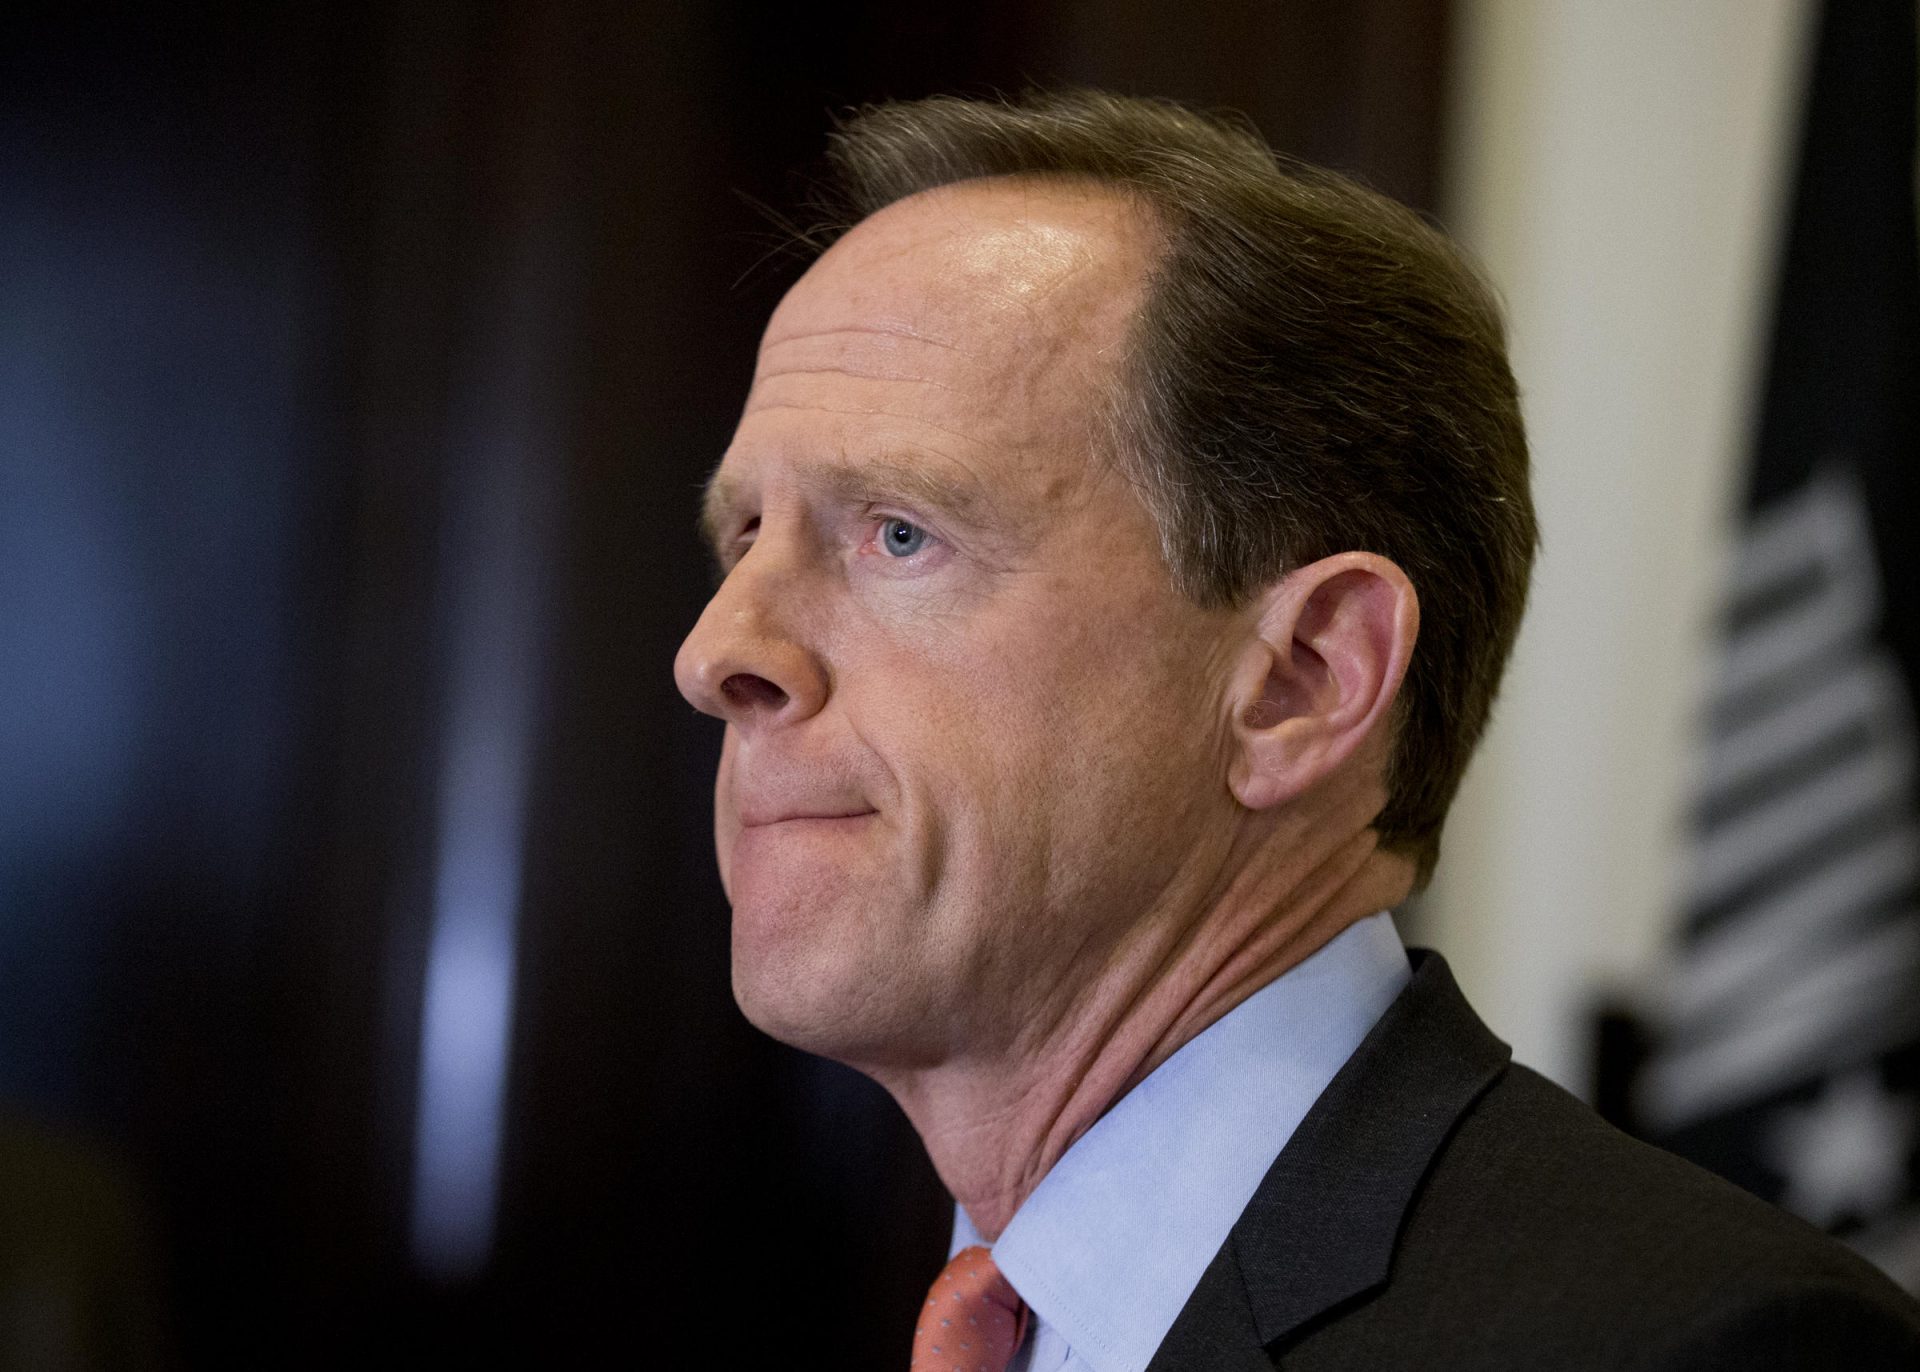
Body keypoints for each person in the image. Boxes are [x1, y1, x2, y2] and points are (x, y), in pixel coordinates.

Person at [672, 90, 1920, 1370]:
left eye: (896, 533)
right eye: (745, 535)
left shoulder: (1705, 1346)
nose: (717, 652)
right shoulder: (952, 1309)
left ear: (1303, 680)